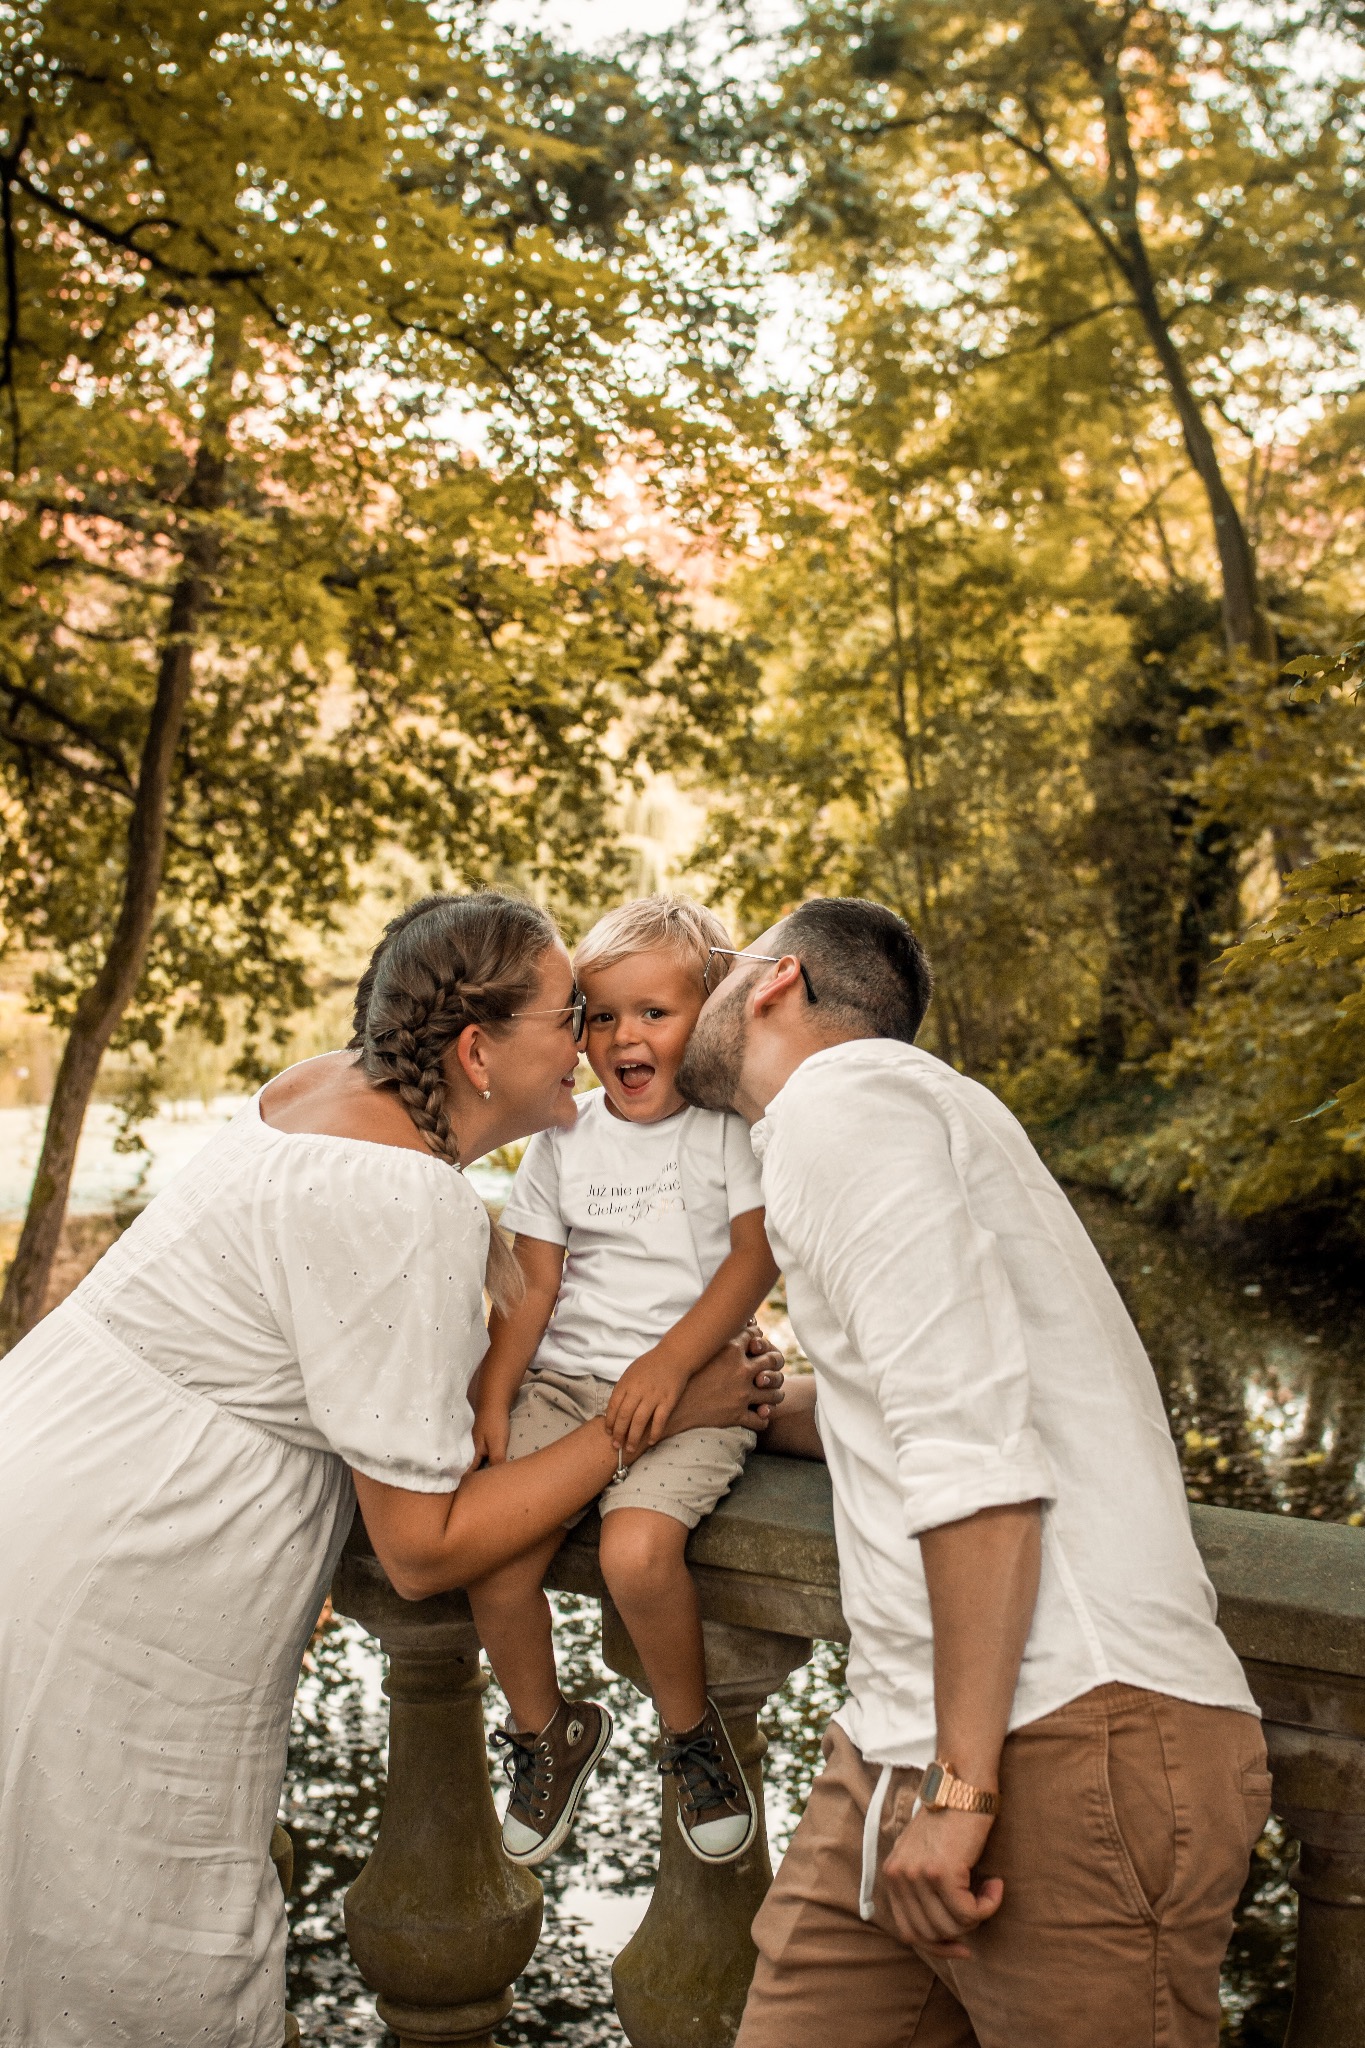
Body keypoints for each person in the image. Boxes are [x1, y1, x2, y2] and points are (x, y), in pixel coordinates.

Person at [0, 891, 783, 2048]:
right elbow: (420, 1550)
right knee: (123, 1951)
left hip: (50, 1466)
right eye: (570, 1013)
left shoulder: (330, 1090)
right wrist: (661, 1414)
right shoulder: (397, 1194)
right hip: (119, 1579)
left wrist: (774, 1398)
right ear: (476, 1051)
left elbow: (403, 1350)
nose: (592, 1038)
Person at [675, 896, 1271, 2048]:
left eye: (708, 970)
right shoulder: (900, 1113)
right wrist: (725, 1406)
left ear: (774, 981)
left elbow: (976, 1454)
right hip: (903, 1743)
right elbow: (906, 1399)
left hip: (1058, 1739)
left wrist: (961, 1791)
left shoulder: (842, 1102)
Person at [468, 896, 780, 1869]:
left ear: (711, 1012)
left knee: (637, 1555)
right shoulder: (566, 1135)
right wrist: (492, 1392)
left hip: (689, 1388)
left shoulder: (728, 1129)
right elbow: (533, 1282)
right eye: (600, 1015)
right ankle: (545, 1728)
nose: (623, 1035)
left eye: (654, 1010)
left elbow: (751, 1260)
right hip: (563, 1382)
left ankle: (691, 1737)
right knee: (493, 1551)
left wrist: (675, 1358)